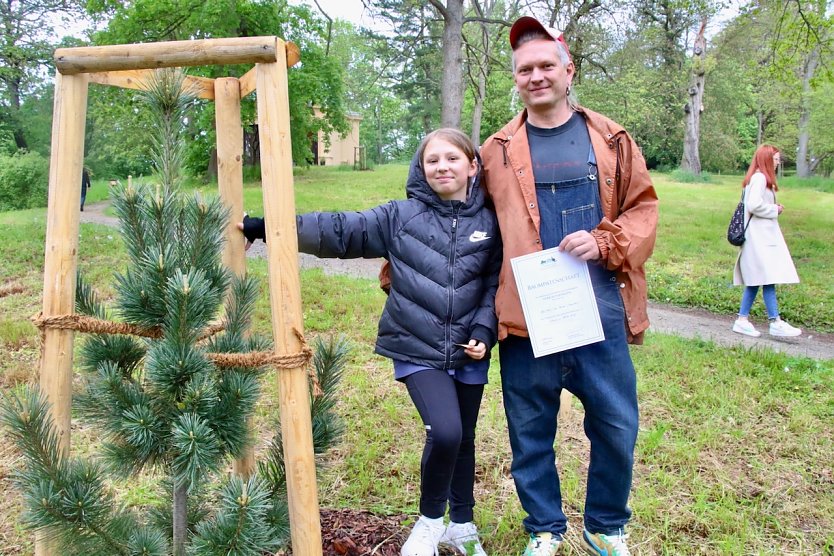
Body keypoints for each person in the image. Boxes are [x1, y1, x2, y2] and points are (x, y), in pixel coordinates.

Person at [238, 128, 501, 556]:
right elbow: (342, 231)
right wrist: (270, 227)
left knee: (465, 437)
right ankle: (431, 523)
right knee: (447, 431)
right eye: (431, 160)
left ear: (473, 166)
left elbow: (493, 283)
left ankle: (463, 526)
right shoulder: (401, 217)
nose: (442, 167)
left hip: (470, 350)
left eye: (452, 158)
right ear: (421, 170)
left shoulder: (490, 221)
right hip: (416, 346)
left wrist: (483, 332)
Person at [478, 17, 658, 556]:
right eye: (525, 69)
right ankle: (544, 530)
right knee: (529, 427)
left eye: (546, 66)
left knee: (616, 422)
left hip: (598, 305)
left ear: (568, 70)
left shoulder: (610, 138)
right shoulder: (496, 149)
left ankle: (605, 525)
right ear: (515, 79)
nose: (536, 77)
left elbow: (643, 209)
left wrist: (605, 242)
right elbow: (470, 223)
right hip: (526, 313)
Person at [731, 145, 801, 338]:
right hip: (758, 239)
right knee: (766, 278)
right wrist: (774, 209)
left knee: (758, 279)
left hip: (759, 238)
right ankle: (774, 321)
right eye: (776, 159)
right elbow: (754, 205)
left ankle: (743, 320)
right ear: (767, 160)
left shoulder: (758, 178)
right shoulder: (760, 178)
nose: (778, 163)